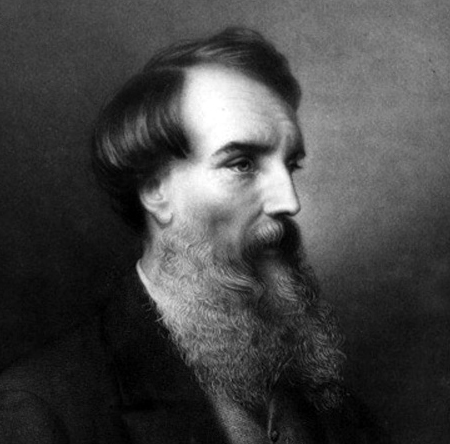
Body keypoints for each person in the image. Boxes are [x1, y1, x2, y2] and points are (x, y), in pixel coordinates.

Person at [0, 28, 389, 443]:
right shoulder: (42, 409)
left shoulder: (334, 407)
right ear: (155, 191)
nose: (289, 202)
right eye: (241, 164)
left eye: (290, 165)